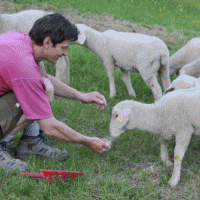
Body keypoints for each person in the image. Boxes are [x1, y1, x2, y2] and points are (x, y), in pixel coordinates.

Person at [0, 13, 110, 171]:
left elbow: (41, 78)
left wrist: (81, 96)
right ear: (47, 42)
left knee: (42, 86)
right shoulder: (23, 66)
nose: (66, 53)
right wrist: (88, 141)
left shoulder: (21, 40)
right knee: (41, 91)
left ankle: (30, 142)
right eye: (63, 48)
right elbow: (50, 127)